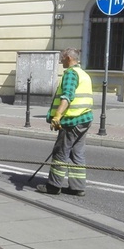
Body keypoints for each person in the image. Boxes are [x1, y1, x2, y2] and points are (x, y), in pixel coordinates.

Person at [37, 48, 93, 197]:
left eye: (62, 58)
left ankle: (54, 186)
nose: (61, 61)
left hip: (71, 120)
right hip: (84, 119)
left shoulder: (70, 74)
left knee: (61, 152)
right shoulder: (84, 74)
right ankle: (77, 187)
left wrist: (57, 116)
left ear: (68, 58)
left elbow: (67, 96)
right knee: (77, 153)